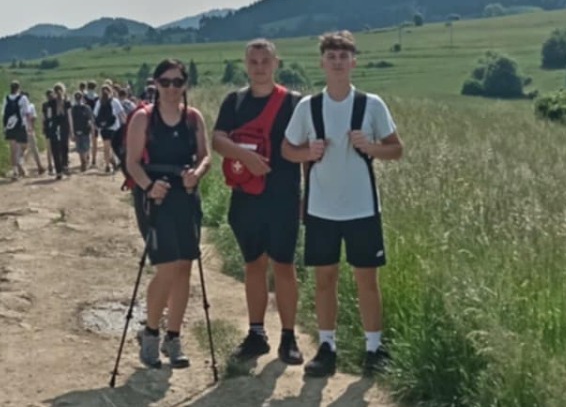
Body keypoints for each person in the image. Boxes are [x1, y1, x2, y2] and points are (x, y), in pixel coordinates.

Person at [282, 30, 403, 377]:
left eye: (343, 56)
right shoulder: (308, 107)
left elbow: (396, 149)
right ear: (322, 63)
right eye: (331, 57)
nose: (337, 62)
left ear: (354, 62)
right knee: (325, 279)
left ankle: (374, 349)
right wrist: (308, 152)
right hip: (321, 209)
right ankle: (327, 347)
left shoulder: (371, 104)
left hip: (363, 208)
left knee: (368, 280)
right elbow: (287, 150)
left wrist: (370, 147)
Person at [212, 39, 303, 367]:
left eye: (265, 61)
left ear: (276, 63)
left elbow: (307, 149)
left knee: (284, 266)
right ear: (245, 64)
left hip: (284, 197)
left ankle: (289, 337)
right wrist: (245, 157)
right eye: (254, 61)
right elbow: (218, 139)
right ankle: (256, 334)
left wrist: (308, 197)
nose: (260, 67)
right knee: (253, 265)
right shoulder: (234, 102)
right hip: (246, 198)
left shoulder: (295, 103)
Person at [123, 58, 211, 370]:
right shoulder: (143, 118)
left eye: (178, 82)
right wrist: (149, 187)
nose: (172, 88)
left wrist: (196, 174)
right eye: (165, 82)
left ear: (185, 84)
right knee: (167, 267)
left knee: (184, 266)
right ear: (156, 84)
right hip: (155, 199)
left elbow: (205, 157)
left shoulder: (193, 118)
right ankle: (151, 333)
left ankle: (173, 337)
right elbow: (132, 162)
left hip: (185, 196)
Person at [95, 82, 125, 174]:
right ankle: (115, 161)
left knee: (106, 147)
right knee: (115, 146)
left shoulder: (99, 102)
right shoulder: (115, 101)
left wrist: (98, 125)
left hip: (104, 128)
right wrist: (125, 124)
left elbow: (95, 115)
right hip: (114, 127)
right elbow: (121, 114)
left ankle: (107, 165)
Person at [2, 81, 30, 179]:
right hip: (20, 126)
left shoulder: (6, 98)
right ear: (18, 88)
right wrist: (29, 126)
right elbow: (27, 113)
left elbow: (3, 114)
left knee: (13, 150)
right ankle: (20, 162)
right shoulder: (23, 98)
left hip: (10, 126)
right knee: (25, 146)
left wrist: (4, 127)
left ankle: (15, 171)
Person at [44, 83, 72, 179]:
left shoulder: (50, 103)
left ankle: (58, 171)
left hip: (54, 127)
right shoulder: (67, 102)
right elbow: (69, 117)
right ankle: (65, 165)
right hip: (64, 126)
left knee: (55, 148)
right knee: (64, 147)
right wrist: (71, 130)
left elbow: (48, 116)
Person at [21, 89, 46, 174]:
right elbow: (33, 118)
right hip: (29, 129)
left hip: (20, 129)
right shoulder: (30, 106)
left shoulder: (18, 106)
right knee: (34, 148)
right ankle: (39, 166)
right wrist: (32, 127)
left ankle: (20, 166)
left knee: (22, 149)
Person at [70, 85, 94, 171]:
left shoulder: (74, 108)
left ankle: (83, 161)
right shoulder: (85, 108)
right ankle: (83, 162)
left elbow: (90, 120)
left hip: (80, 130)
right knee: (82, 147)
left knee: (82, 147)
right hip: (82, 130)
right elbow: (91, 119)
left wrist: (71, 132)